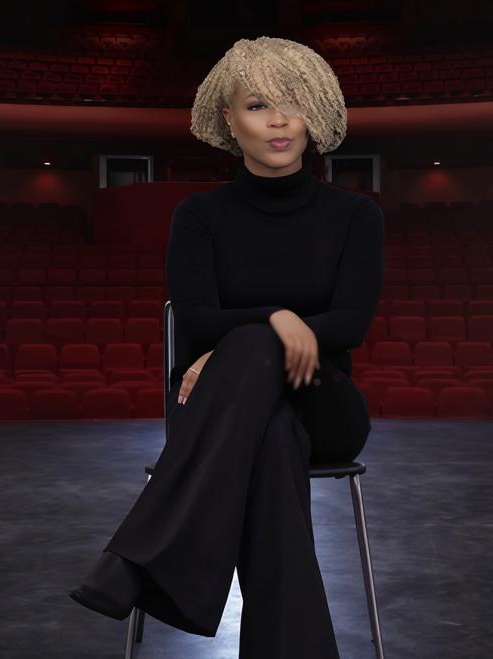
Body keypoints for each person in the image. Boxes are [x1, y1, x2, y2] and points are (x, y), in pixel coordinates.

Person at [70, 36, 384, 658]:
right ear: (227, 119)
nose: (277, 121)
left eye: (295, 104)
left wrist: (257, 332)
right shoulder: (199, 216)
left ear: (314, 115)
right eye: (259, 104)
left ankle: (136, 558)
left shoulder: (354, 216)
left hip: (325, 404)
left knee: (247, 348)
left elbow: (348, 324)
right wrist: (279, 318)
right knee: (268, 435)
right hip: (232, 409)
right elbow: (194, 324)